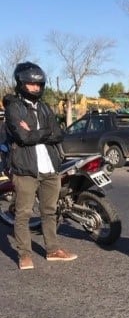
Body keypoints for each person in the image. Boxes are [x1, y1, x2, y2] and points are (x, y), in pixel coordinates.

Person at [3, 62, 77, 270]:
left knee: (49, 211)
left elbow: (58, 133)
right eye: (30, 84)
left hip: (50, 168)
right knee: (24, 213)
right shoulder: (13, 108)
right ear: (21, 83)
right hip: (26, 170)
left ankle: (53, 249)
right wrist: (45, 132)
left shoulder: (44, 107)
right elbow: (22, 137)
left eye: (38, 84)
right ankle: (24, 254)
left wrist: (36, 133)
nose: (35, 88)